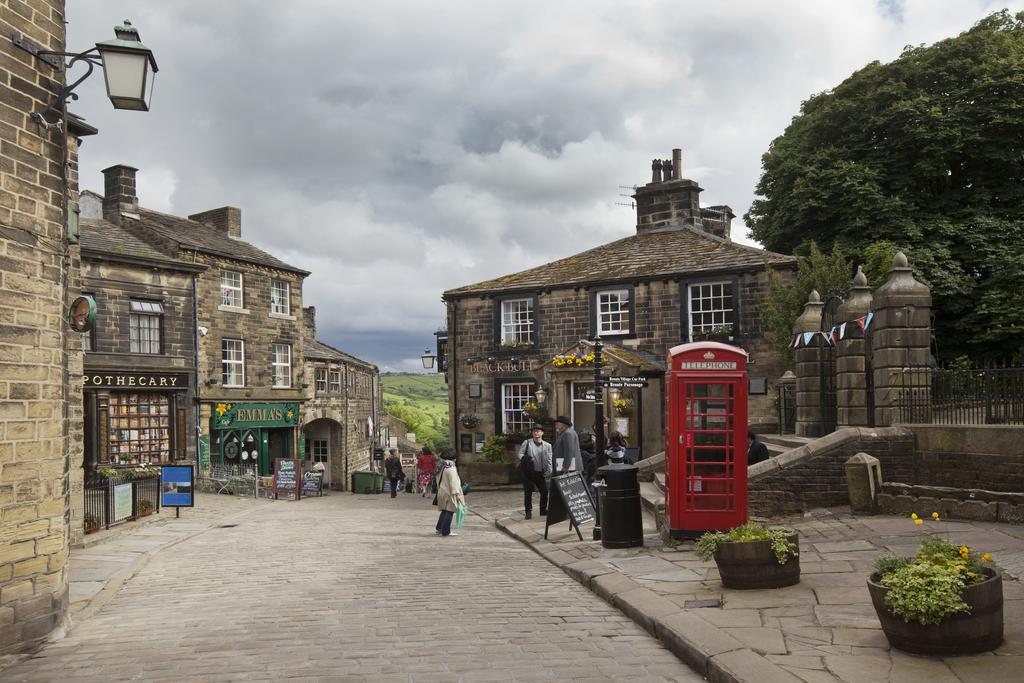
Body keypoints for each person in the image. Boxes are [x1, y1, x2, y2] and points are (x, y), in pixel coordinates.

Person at [517, 423, 552, 519]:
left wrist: (549, 470)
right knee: (528, 492)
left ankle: (543, 510)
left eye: (538, 431)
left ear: (542, 433)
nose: (536, 433)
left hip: (540, 472)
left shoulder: (548, 445)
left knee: (544, 491)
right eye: (534, 431)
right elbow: (520, 454)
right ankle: (528, 512)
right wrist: (525, 458)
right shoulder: (527, 442)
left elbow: (549, 459)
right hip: (528, 472)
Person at [434, 451, 465, 537]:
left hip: (442, 490)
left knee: (444, 510)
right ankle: (446, 531)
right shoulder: (451, 467)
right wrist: (457, 493)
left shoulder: (441, 466)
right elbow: (453, 481)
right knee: (450, 511)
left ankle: (439, 528)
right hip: (449, 491)